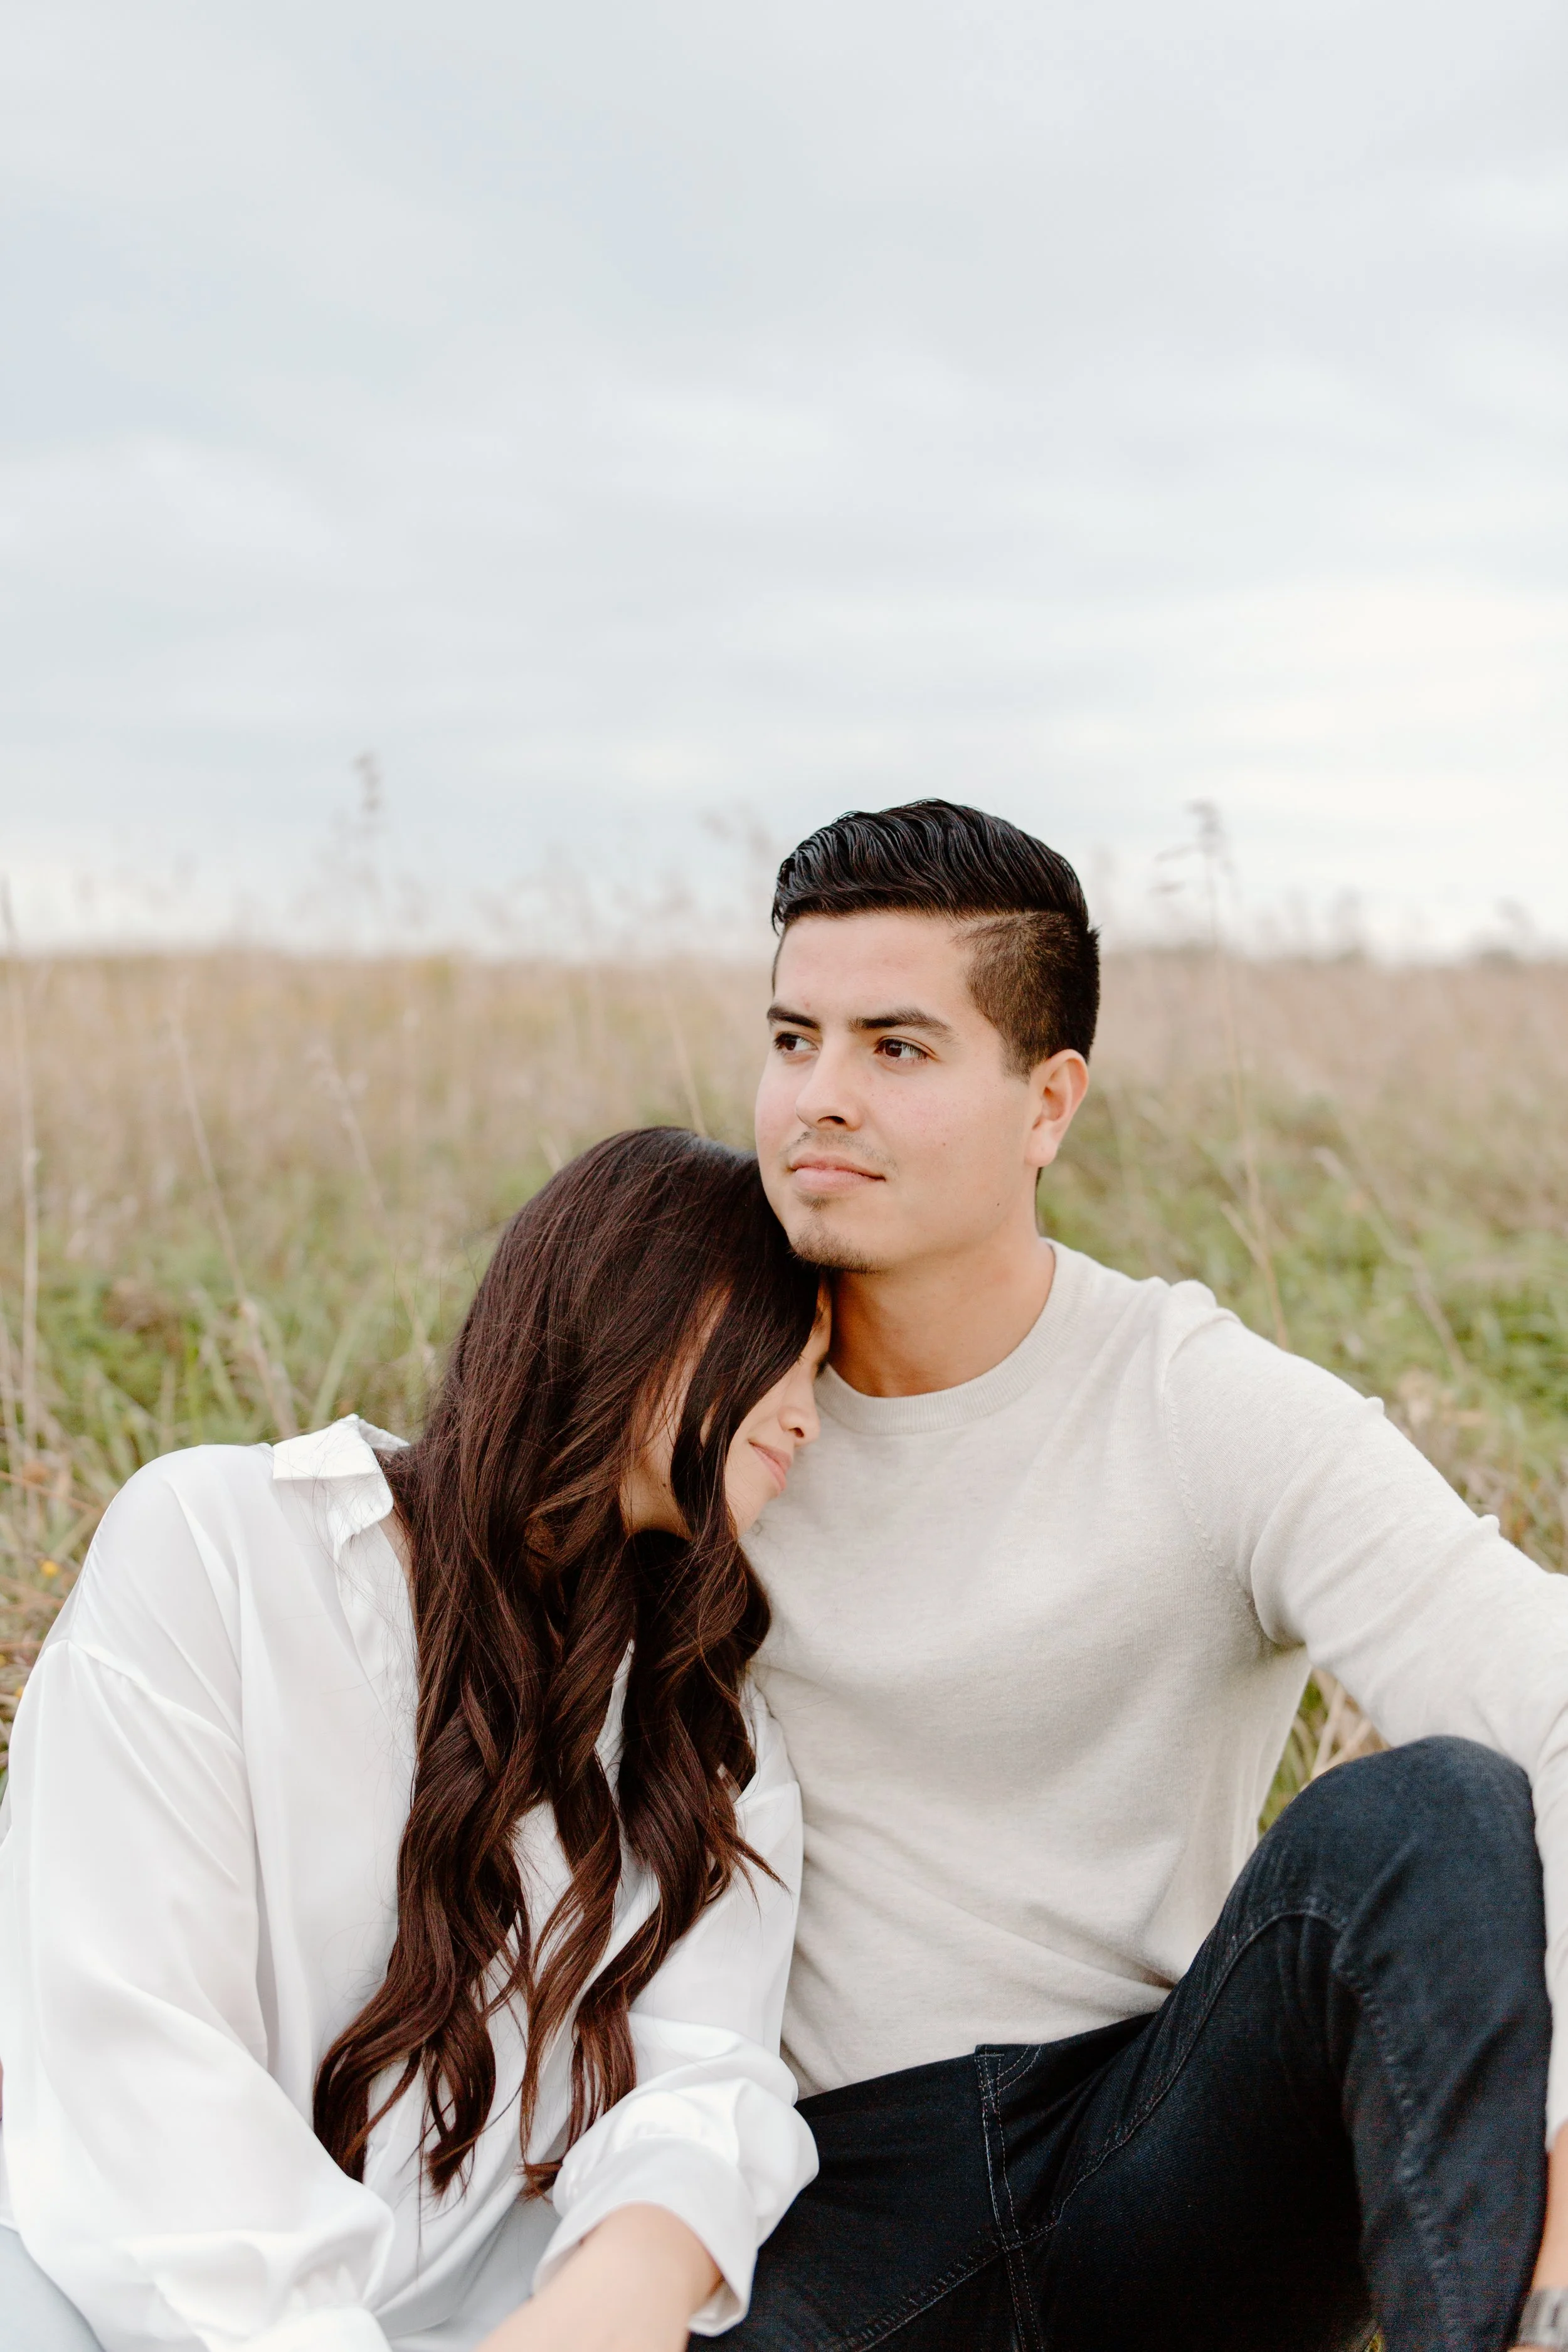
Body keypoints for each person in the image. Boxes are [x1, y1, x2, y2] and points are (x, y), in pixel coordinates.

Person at [736, 799, 1568, 2352]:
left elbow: (1551, 1690)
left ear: (1048, 1103)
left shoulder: (1195, 1400)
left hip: (1163, 2164)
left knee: (1429, 1810)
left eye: (895, 1050)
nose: (817, 1100)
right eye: (793, 1039)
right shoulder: (698, 1392)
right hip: (821, 2212)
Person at [0, 1128, 829, 2352]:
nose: (806, 1420)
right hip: (97, 2294)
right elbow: (130, 2043)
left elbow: (703, 2084)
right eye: (789, 1357)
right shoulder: (219, 1548)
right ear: (642, 1306)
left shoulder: (707, 1733)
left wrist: (619, 2297)